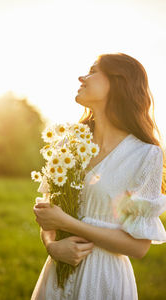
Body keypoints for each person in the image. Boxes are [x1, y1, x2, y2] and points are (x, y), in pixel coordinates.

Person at [31, 52, 166, 300]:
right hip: (56, 276)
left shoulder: (146, 155)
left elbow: (139, 246)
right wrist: (52, 247)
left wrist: (68, 224)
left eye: (93, 71)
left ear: (118, 82)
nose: (82, 77)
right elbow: (49, 216)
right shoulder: (69, 143)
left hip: (104, 280)